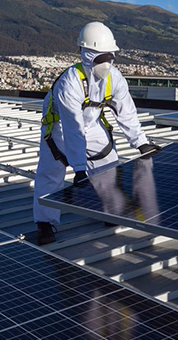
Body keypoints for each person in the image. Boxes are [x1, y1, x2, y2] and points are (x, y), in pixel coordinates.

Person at [33, 21, 161, 245]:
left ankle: (112, 210)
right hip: (60, 127)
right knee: (50, 175)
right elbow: (73, 128)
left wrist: (140, 142)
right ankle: (45, 223)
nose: (107, 62)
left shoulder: (114, 78)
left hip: (92, 125)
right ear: (85, 55)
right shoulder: (70, 83)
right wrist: (80, 168)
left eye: (110, 56)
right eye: (100, 57)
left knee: (109, 166)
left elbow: (126, 111)